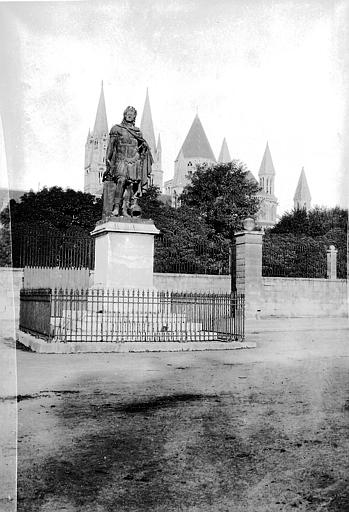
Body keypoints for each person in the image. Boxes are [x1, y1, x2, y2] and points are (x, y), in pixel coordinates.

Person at [102, 106, 153, 219]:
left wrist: (143, 147)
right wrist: (107, 159)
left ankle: (125, 209)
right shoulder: (117, 129)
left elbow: (141, 147)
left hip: (134, 160)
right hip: (121, 159)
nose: (130, 115)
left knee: (130, 186)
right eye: (128, 113)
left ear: (135, 116)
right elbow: (111, 146)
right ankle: (116, 208)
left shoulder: (137, 131)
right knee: (121, 180)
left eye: (132, 114)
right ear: (124, 115)